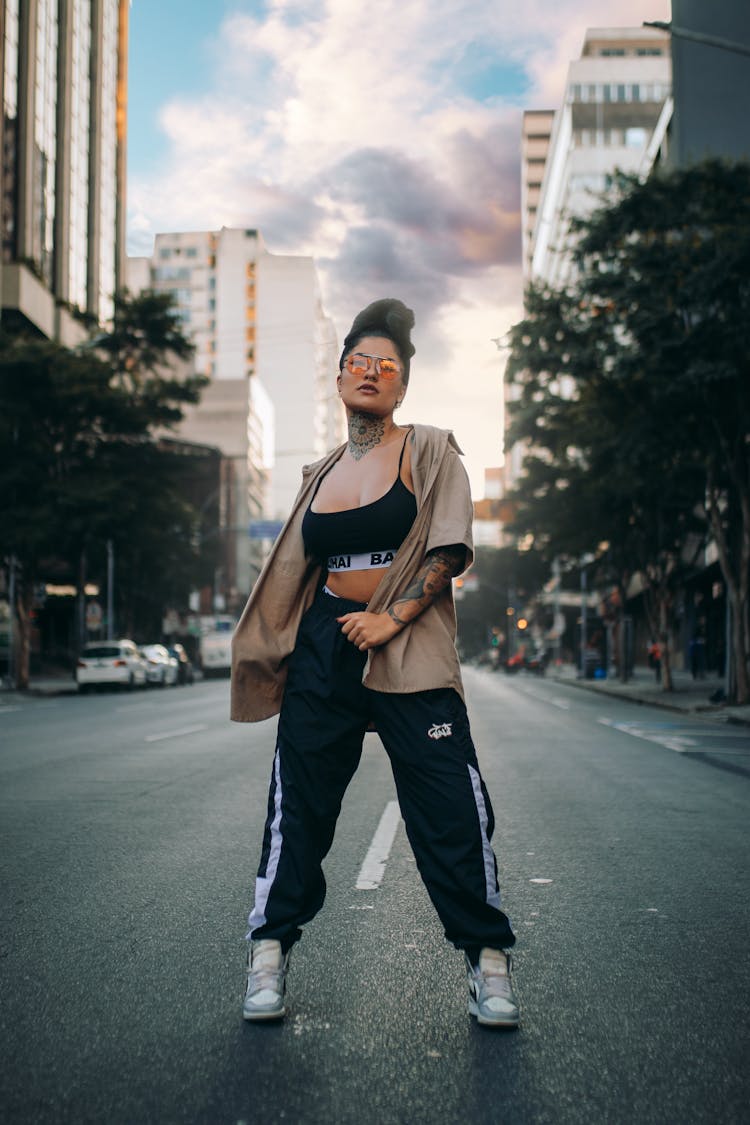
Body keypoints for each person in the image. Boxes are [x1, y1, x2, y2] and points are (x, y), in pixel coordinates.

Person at [231, 298, 519, 1030]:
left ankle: (487, 962)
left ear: (401, 387)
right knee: (296, 804)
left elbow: (448, 548)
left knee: (450, 804)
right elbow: (301, 566)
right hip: (326, 643)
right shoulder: (319, 472)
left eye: (386, 366)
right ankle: (268, 952)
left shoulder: (429, 449)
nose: (371, 372)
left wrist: (392, 615)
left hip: (406, 637)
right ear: (338, 378)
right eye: (359, 361)